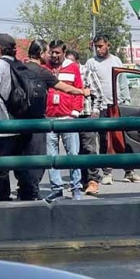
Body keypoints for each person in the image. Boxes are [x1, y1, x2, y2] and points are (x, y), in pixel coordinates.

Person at [0, 35, 88, 201]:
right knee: (24, 168)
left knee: (1, 170)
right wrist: (83, 92)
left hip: (3, 127)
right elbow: (63, 87)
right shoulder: (20, 65)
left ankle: (3, 203)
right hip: (23, 125)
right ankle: (27, 202)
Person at [86, 34, 140, 185]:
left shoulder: (116, 61)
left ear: (108, 45)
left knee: (122, 139)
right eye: (96, 46)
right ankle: (107, 172)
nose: (98, 49)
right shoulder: (91, 63)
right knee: (105, 140)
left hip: (117, 106)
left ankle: (129, 171)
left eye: (101, 46)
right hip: (101, 107)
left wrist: (125, 101)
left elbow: (123, 82)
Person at [43, 41, 85, 203]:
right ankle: (56, 188)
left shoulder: (73, 67)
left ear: (64, 52)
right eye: (52, 52)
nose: (54, 56)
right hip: (49, 119)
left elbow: (79, 90)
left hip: (68, 118)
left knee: (73, 154)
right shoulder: (45, 68)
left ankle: (76, 188)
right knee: (51, 157)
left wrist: (75, 112)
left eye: (57, 53)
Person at [66, 49, 105, 196]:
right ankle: (80, 181)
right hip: (71, 117)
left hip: (86, 115)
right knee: (75, 150)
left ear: (77, 61)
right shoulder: (64, 73)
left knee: (89, 148)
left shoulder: (86, 72)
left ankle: (93, 180)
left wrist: (95, 113)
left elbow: (98, 94)